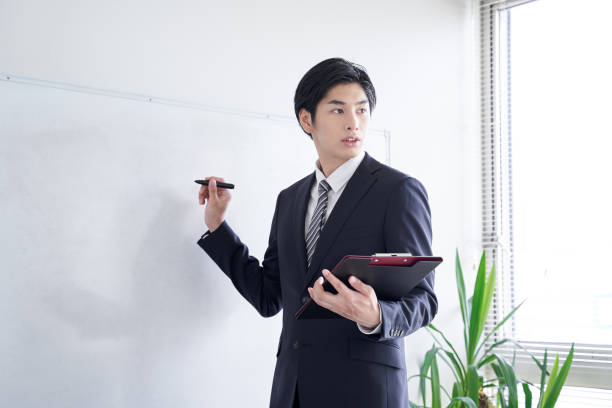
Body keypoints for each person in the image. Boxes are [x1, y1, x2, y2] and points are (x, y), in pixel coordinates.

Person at [197, 57, 437, 408]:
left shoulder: (398, 191)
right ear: (307, 119)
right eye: (338, 111)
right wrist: (217, 227)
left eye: (362, 110)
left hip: (365, 392)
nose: (353, 123)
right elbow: (268, 296)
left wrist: (376, 317)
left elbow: (424, 301)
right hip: (292, 390)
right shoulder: (290, 199)